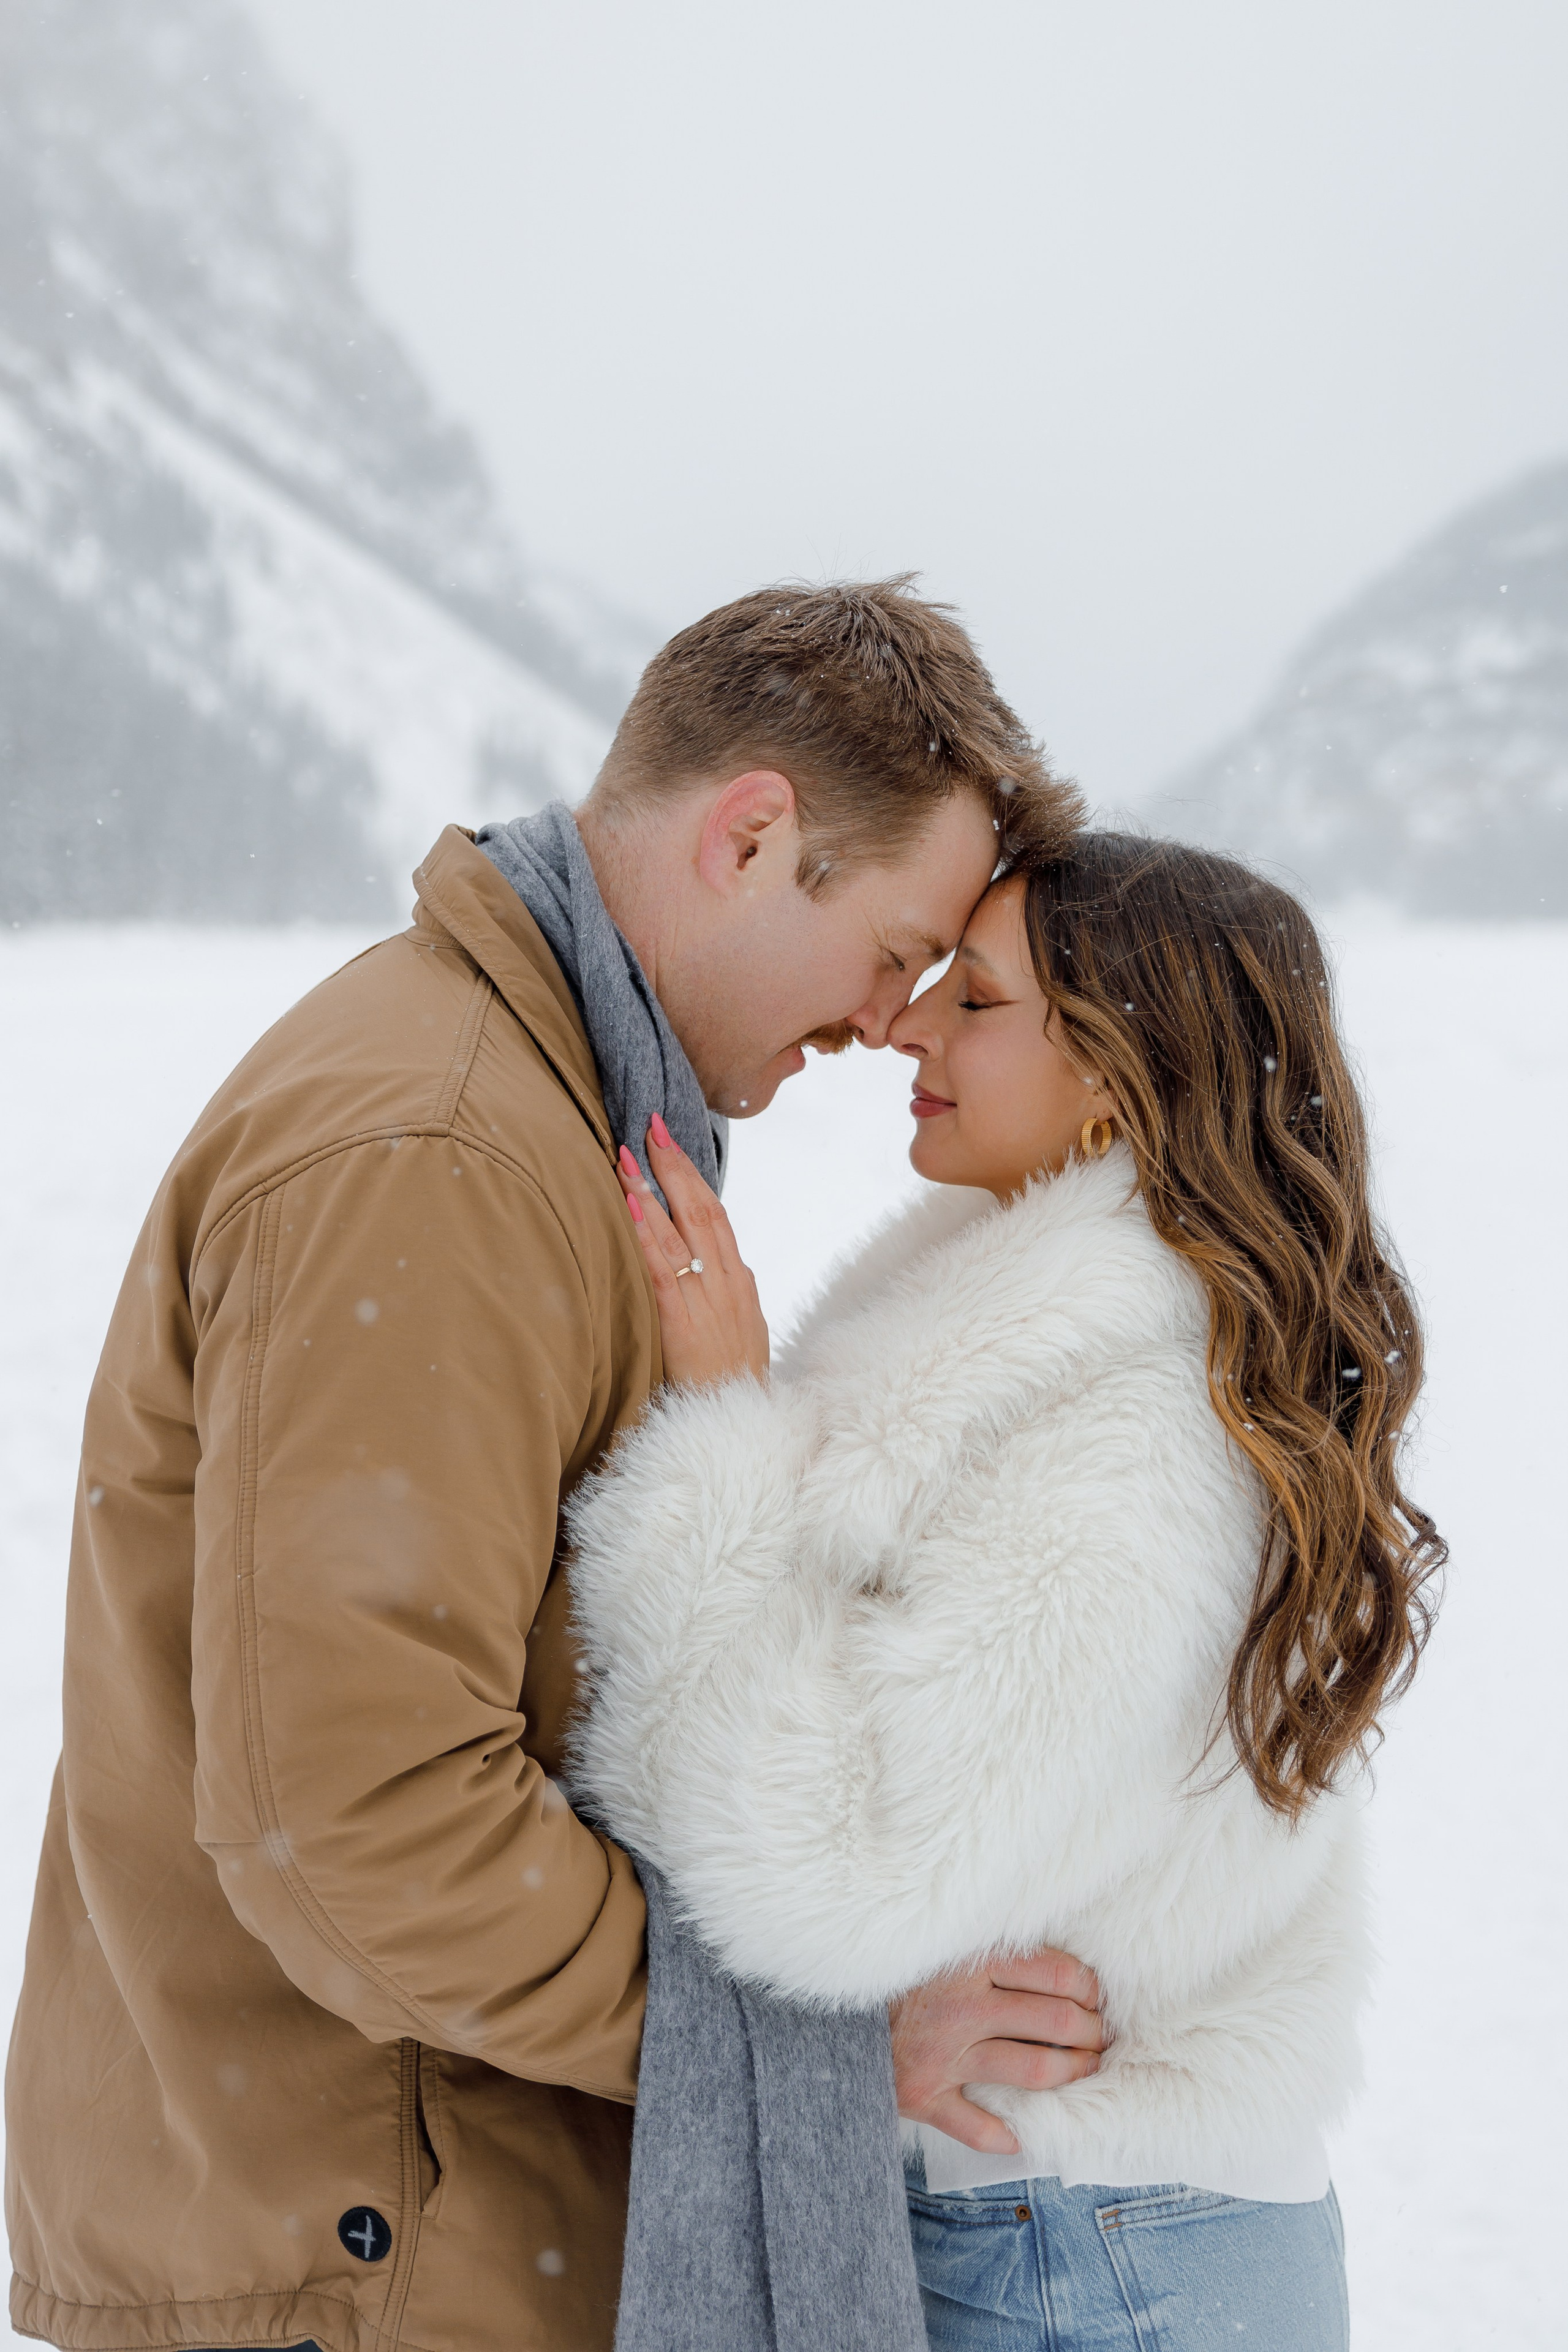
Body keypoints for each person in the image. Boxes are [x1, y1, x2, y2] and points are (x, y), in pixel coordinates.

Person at [4, 581, 1098, 2352]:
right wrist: (809, 2036)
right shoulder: (437, 1152)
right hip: (376, 2263)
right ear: (753, 836)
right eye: (899, 945)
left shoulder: (537, 1110)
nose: (897, 1020)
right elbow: (359, 1822)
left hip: (384, 2237)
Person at [570, 831, 1445, 2352]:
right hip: (1091, 2231)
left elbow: (834, 1867)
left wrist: (719, 1436)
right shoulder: (1075, 1343)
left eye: (972, 1001)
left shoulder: (1127, 1440)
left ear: (1118, 1075)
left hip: (1081, 2255)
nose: (904, 1023)